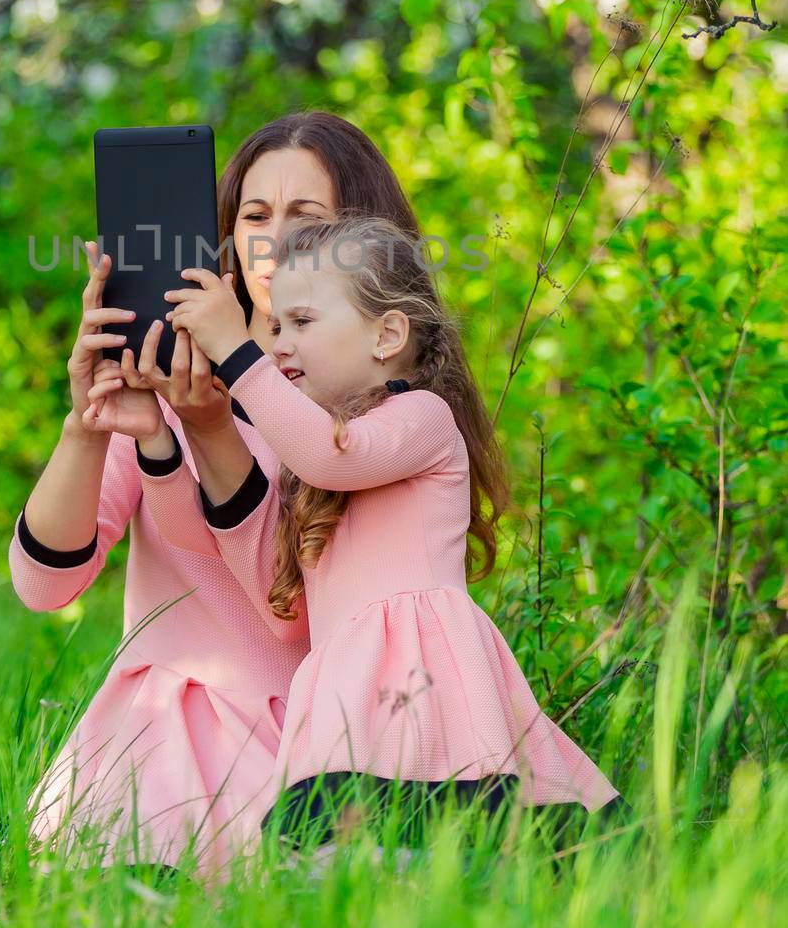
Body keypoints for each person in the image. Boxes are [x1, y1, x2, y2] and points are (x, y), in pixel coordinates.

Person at [91, 208, 626, 855]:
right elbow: (234, 559)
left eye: (303, 322)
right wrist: (158, 436)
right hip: (349, 692)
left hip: (424, 683)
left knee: (457, 835)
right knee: (347, 853)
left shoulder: (419, 420)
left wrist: (237, 354)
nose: (279, 343)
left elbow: (333, 455)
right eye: (274, 325)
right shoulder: (307, 459)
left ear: (386, 335)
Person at [9, 113, 441, 875]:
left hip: (320, 736)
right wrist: (88, 425)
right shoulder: (163, 383)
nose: (273, 243)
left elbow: (291, 619)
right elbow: (42, 585)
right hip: (161, 731)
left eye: (306, 217)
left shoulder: (368, 413)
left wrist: (212, 425)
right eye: (253, 216)